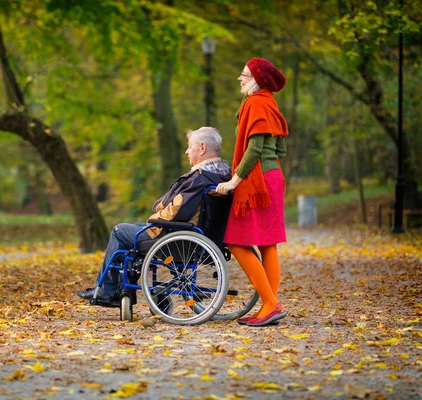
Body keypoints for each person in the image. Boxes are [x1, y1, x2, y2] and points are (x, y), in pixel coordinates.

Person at [77, 127, 231, 307]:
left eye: (190, 146)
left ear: (202, 148)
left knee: (120, 231)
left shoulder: (201, 177)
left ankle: (107, 291)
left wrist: (156, 215)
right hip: (198, 238)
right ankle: (119, 289)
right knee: (135, 227)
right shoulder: (223, 175)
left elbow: (178, 210)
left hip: (176, 239)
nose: (186, 151)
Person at [215, 58, 289, 327]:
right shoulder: (269, 102)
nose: (239, 78)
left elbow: (255, 149)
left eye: (244, 74)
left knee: (235, 241)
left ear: (258, 79)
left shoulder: (256, 103)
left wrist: (235, 181)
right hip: (272, 177)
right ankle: (269, 306)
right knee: (268, 244)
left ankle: (271, 304)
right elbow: (280, 150)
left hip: (258, 180)